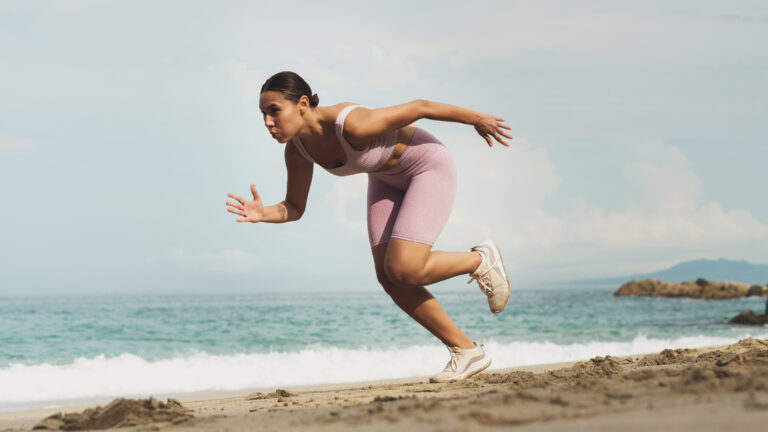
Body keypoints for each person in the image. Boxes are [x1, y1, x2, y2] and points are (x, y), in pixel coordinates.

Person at [226, 71, 513, 382]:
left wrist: (477, 119)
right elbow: (295, 207)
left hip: (426, 166)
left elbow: (421, 106)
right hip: (385, 177)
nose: (268, 122)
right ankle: (466, 351)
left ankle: (481, 260)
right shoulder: (298, 150)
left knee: (405, 268)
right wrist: (262, 213)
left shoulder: (352, 124)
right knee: (389, 277)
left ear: (303, 104)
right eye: (263, 114)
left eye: (274, 111)